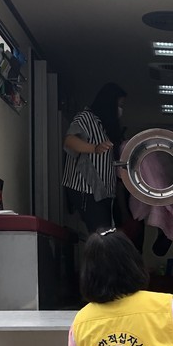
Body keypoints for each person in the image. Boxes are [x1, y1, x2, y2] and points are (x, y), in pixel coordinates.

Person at [62, 83, 127, 233]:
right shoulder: (86, 118)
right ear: (110, 103)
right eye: (120, 105)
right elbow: (70, 141)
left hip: (103, 193)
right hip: (87, 190)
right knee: (102, 238)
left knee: (105, 236)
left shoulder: (105, 127)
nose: (121, 110)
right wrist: (94, 148)